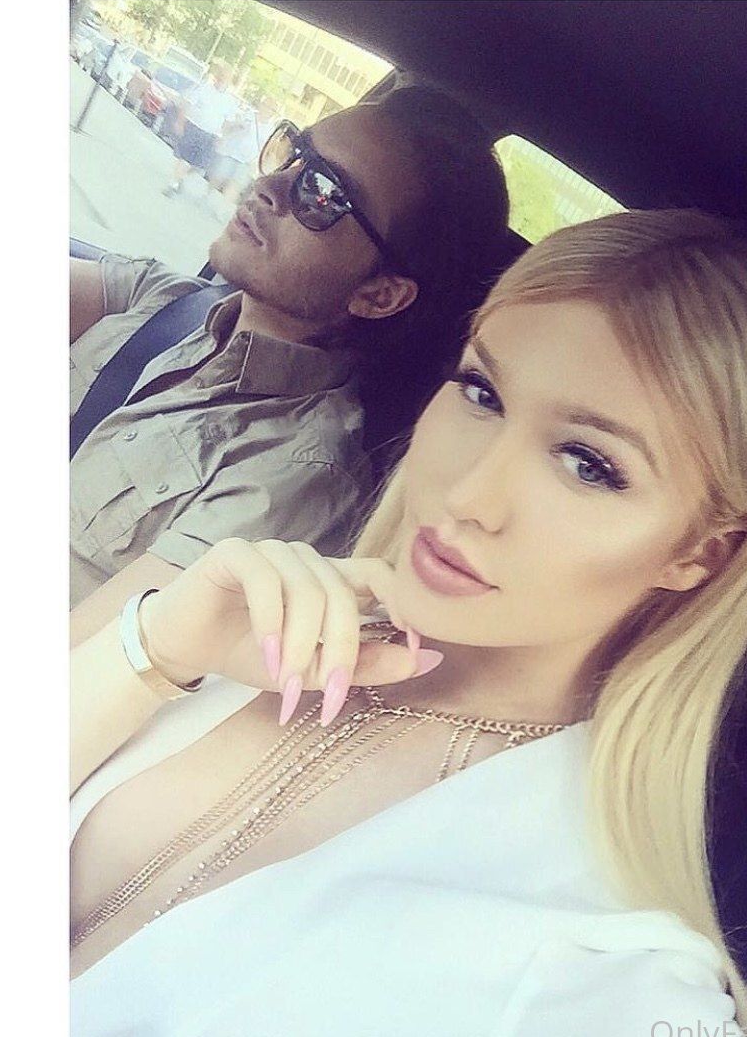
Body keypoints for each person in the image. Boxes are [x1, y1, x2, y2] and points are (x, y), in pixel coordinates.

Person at [69, 209, 747, 1037]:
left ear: (697, 553)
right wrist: (149, 654)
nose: (469, 495)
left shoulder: (601, 969)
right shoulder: (245, 618)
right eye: (482, 393)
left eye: (588, 464)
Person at [69, 86, 511, 637]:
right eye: (294, 153)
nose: (270, 186)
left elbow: (91, 663)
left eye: (323, 194)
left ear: (379, 295)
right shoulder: (162, 298)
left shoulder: (292, 479)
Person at [161, 65, 244, 198]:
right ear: (216, 76)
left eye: (225, 77)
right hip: (194, 128)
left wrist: (224, 137)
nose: (222, 79)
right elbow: (187, 104)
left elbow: (227, 123)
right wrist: (180, 122)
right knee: (184, 159)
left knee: (199, 166)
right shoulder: (204, 88)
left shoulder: (230, 101)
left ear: (229, 81)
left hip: (210, 136)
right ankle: (173, 184)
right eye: (221, 75)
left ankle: (180, 178)